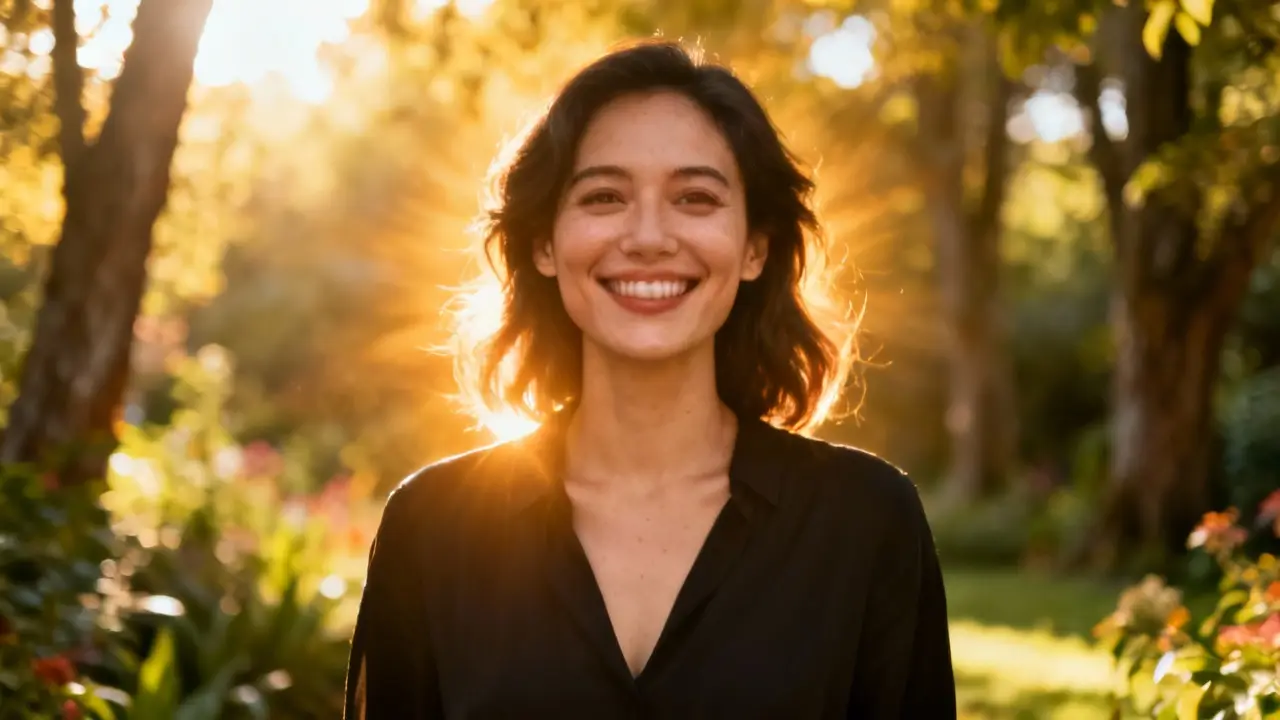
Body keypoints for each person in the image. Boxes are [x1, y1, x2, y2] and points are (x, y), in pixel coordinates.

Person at [343, 40, 956, 719]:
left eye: (695, 198)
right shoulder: (430, 529)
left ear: (754, 246)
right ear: (545, 243)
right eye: (604, 196)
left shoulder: (867, 522)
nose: (648, 236)